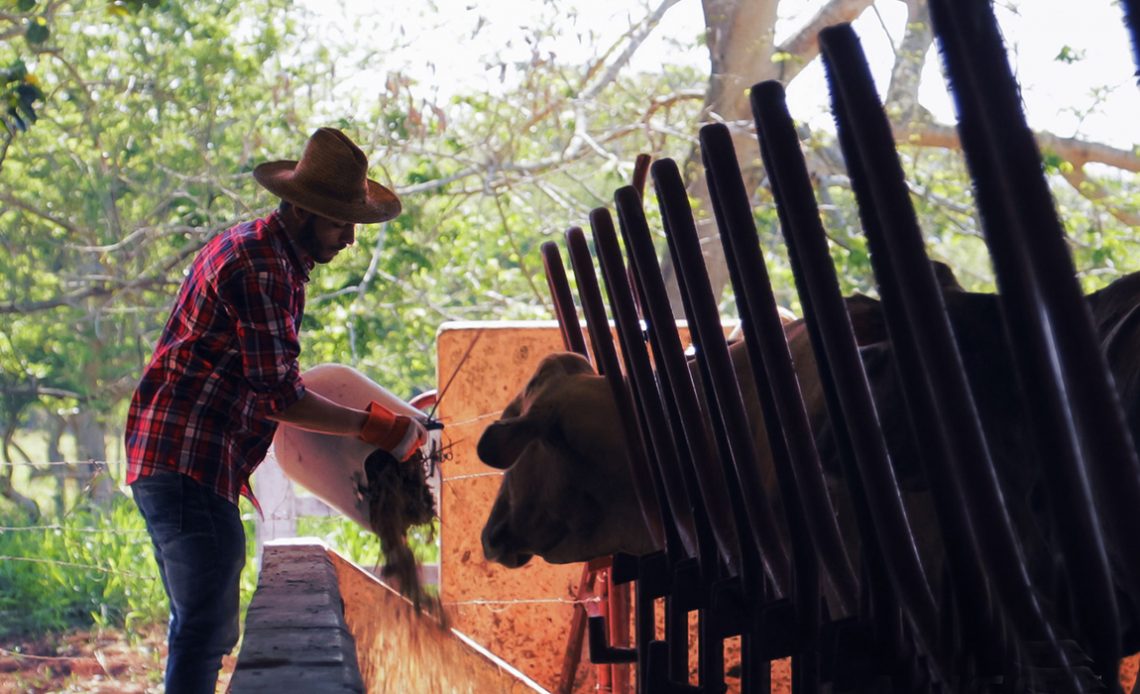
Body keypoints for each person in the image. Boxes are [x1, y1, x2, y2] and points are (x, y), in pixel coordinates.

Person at [124, 127, 428, 694]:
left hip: (176, 456)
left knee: (200, 626)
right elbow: (280, 397)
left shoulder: (258, 250)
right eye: (340, 223)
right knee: (205, 630)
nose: (349, 240)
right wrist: (381, 428)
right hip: (188, 460)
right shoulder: (264, 268)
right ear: (301, 209)